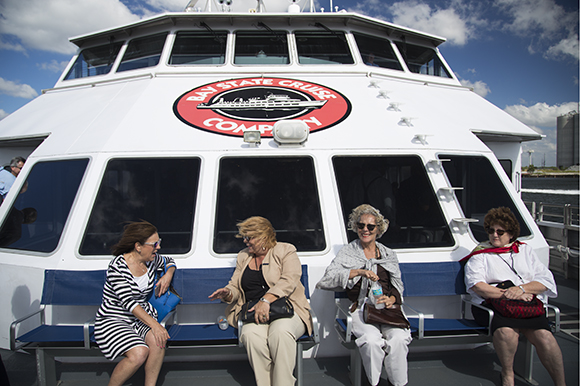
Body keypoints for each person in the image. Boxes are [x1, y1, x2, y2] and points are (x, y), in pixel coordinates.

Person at [463, 207, 566, 386]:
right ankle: (508, 374)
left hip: (526, 307)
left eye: (500, 231)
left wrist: (522, 289)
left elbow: (545, 281)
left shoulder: (525, 251)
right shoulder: (480, 255)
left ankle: (561, 383)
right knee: (506, 333)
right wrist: (512, 295)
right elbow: (478, 286)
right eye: (490, 231)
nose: (494, 235)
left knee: (545, 337)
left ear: (511, 233)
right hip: (494, 307)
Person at [209, 216, 312, 386]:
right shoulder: (244, 256)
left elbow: (290, 279)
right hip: (253, 312)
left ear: (263, 236)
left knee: (280, 333)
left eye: (249, 237)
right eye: (244, 237)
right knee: (250, 336)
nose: (245, 241)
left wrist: (266, 300)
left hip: (287, 310)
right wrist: (227, 293)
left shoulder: (285, 250)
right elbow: (235, 285)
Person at [316, 204, 411, 386]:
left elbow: (398, 287)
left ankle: (398, 384)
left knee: (398, 339)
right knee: (371, 341)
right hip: (361, 309)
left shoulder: (388, 254)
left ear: (378, 229)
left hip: (388, 309)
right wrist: (358, 272)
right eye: (361, 226)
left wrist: (391, 299)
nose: (365, 230)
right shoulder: (348, 252)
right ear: (356, 227)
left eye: (370, 227)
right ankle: (373, 383)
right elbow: (327, 279)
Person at [94, 221, 175, 386]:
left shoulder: (151, 260)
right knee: (139, 353)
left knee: (159, 341)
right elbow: (128, 302)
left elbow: (169, 261)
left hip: (139, 320)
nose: (158, 247)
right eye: (154, 244)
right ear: (138, 246)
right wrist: (156, 325)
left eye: (159, 243)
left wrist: (168, 274)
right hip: (114, 319)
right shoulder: (117, 267)